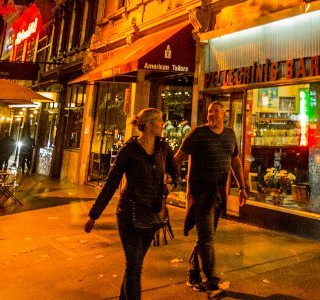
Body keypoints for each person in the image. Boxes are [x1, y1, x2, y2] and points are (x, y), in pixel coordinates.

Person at [85, 108, 177, 300]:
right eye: (160, 121)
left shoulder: (163, 148)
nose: (163, 124)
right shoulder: (129, 150)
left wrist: (168, 188)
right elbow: (111, 182)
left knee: (134, 266)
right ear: (149, 125)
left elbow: (175, 174)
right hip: (129, 213)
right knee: (134, 266)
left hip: (151, 215)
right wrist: (94, 215)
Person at [174, 102, 247, 293]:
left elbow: (235, 161)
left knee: (205, 237)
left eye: (216, 111)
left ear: (224, 115)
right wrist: (169, 181)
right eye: (209, 111)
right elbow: (178, 158)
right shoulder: (197, 134)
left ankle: (193, 274)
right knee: (206, 237)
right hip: (200, 194)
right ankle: (211, 279)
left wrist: (242, 186)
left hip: (218, 195)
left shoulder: (230, 135)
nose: (212, 114)